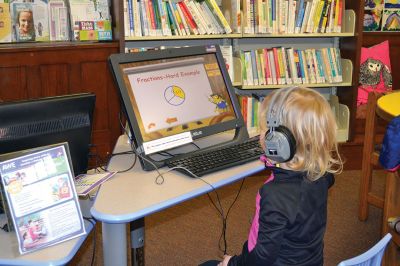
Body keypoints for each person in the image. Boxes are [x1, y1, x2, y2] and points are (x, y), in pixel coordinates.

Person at [201, 87, 342, 266]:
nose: (261, 134)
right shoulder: (322, 175)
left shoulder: (274, 194)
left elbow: (262, 257)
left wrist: (232, 263)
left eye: (265, 129)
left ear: (279, 140)